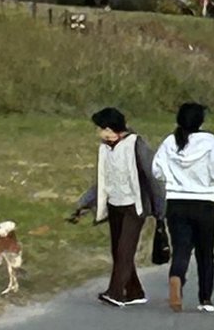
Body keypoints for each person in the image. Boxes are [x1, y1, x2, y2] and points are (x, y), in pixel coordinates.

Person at [68, 107, 164, 308]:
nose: (99, 133)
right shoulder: (104, 149)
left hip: (134, 206)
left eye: (101, 129)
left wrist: (160, 209)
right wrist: (84, 204)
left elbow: (152, 177)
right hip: (114, 206)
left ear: (112, 129)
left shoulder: (136, 145)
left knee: (125, 250)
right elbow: (102, 181)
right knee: (117, 250)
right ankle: (134, 292)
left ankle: (115, 292)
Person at [152, 102, 214, 314]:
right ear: (201, 121)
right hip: (204, 203)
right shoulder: (210, 142)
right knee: (206, 252)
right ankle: (205, 298)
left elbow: (157, 170)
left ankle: (176, 276)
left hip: (176, 202)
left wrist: (173, 181)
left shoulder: (170, 142)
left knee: (182, 248)